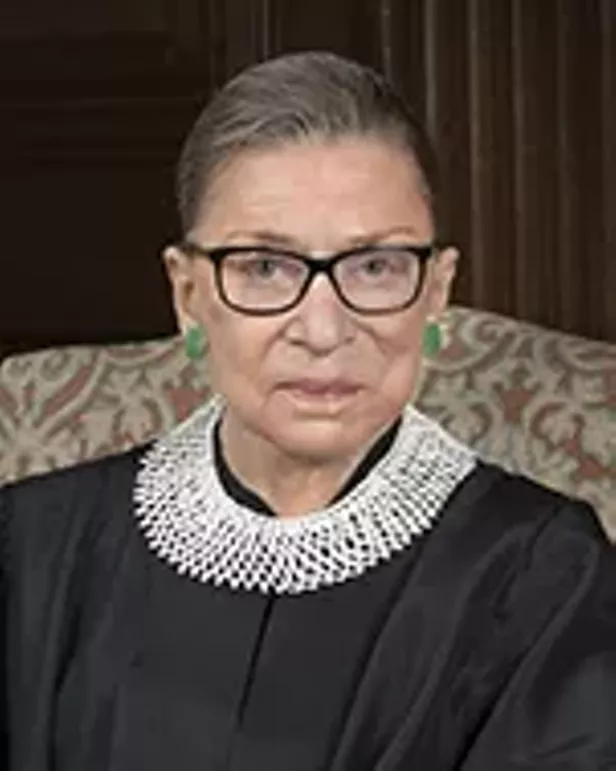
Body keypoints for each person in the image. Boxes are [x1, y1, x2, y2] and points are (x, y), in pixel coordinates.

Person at [1, 51, 615, 771]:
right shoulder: (33, 551)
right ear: (188, 294)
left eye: (375, 266)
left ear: (436, 290)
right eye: (264, 267)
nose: (323, 330)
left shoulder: (546, 578)